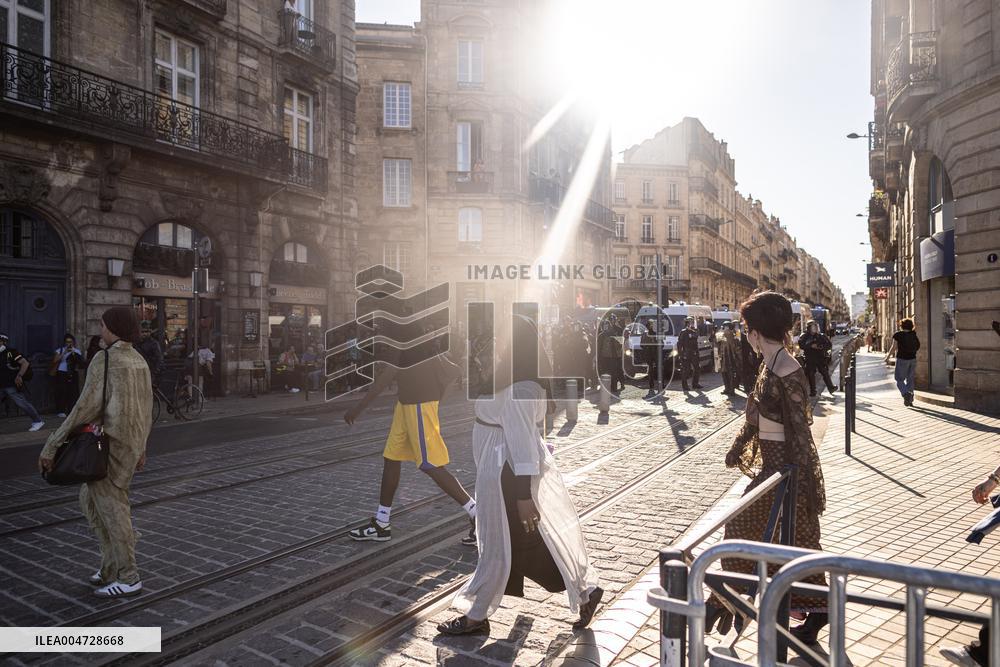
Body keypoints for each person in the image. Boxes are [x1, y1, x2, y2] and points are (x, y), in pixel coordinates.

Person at [438, 314, 603, 636]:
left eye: (500, 340)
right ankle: (584, 590)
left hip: (505, 473)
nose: (494, 346)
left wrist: (523, 496)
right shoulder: (515, 380)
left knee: (497, 543)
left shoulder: (519, 388)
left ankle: (476, 614)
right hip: (500, 469)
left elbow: (523, 446)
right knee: (519, 543)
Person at [707, 291, 828, 644]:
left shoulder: (788, 368)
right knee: (785, 542)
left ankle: (730, 600)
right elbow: (757, 414)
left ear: (758, 331)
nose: (746, 335)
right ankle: (735, 600)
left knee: (765, 533)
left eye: (747, 328)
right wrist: (739, 445)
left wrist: (799, 478)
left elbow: (800, 427)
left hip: (786, 469)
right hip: (775, 468)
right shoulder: (770, 364)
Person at [39, 307, 153, 598]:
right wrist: (141, 448)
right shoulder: (138, 360)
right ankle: (110, 567)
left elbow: (84, 408)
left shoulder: (105, 359)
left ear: (112, 327)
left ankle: (129, 576)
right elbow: (147, 410)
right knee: (91, 502)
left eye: (102, 325)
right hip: (128, 447)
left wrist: (53, 443)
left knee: (113, 510)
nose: (100, 329)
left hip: (108, 447)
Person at [344, 321, 477, 547]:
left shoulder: (402, 345)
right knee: (391, 458)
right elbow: (454, 371)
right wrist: (438, 400)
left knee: (429, 464)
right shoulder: (423, 346)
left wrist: (357, 409)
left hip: (417, 407)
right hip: (406, 407)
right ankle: (382, 523)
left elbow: (385, 379)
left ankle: (476, 512)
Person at [1, 333, 45, 431]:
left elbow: (25, 363)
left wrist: (19, 376)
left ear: (3, 342)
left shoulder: (11, 352)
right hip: (1, 383)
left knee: (22, 403)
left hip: (11, 384)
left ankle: (38, 421)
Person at [884, 318, 920, 406]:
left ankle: (906, 394)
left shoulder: (898, 335)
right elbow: (918, 346)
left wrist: (887, 357)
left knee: (899, 379)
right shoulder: (913, 334)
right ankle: (910, 400)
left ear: (901, 326)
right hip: (912, 359)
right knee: (910, 379)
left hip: (902, 359)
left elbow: (894, 347)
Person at [798, 321, 836, 397]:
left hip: (820, 357)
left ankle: (831, 387)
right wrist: (811, 346)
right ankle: (813, 391)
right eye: (813, 326)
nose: (815, 327)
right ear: (809, 328)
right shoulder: (804, 336)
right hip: (810, 358)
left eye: (816, 326)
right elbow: (801, 345)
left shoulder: (821, 336)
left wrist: (821, 347)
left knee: (824, 372)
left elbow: (829, 345)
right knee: (811, 374)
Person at [50, 334, 84, 417]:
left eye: (71, 342)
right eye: (67, 342)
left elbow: (80, 363)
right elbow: (55, 360)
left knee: (72, 392)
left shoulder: (76, 351)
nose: (69, 343)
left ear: (73, 342)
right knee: (62, 392)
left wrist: (73, 353)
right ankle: (61, 410)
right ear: (64, 342)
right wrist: (64, 353)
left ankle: (71, 410)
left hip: (72, 373)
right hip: (62, 373)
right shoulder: (59, 350)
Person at [135, 322, 163, 388]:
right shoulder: (136, 343)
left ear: (150, 332)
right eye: (142, 332)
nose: (144, 334)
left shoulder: (154, 343)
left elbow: (159, 359)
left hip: (150, 371)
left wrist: (155, 373)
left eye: (146, 332)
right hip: (138, 370)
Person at [678, 317, 702, 391]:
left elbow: (695, 340)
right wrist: (681, 354)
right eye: (690, 322)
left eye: (692, 322)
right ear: (687, 323)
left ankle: (695, 384)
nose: (692, 323)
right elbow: (679, 344)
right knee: (686, 370)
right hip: (686, 353)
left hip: (694, 353)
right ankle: (685, 386)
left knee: (697, 368)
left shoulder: (694, 331)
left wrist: (697, 353)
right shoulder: (683, 331)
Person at [640, 319, 663, 399]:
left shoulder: (657, 334)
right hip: (650, 354)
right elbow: (641, 344)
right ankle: (652, 385)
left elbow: (662, 344)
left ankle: (660, 384)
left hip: (655, 353)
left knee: (659, 369)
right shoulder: (645, 334)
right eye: (651, 324)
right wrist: (647, 348)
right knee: (651, 370)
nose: (652, 326)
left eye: (653, 324)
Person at [719, 322, 741, 396]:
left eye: (726, 327)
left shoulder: (734, 335)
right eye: (724, 327)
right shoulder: (721, 335)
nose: (725, 329)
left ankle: (731, 389)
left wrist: (738, 358)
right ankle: (727, 388)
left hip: (731, 358)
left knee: (731, 374)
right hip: (723, 358)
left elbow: (737, 347)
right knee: (724, 374)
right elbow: (715, 342)